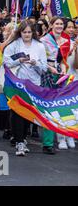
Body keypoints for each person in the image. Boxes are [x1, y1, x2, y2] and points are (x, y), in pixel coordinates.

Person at [3, 20, 48, 156]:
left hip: (34, 84)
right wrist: (19, 60)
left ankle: (23, 137)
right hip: (17, 83)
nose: (27, 34)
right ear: (20, 32)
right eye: (24, 32)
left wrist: (35, 63)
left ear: (33, 32)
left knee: (29, 112)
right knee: (17, 111)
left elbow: (44, 68)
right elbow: (6, 62)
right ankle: (19, 141)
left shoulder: (39, 46)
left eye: (29, 32)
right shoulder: (14, 45)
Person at [41, 17, 72, 152]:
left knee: (60, 106)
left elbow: (62, 60)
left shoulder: (66, 41)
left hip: (61, 76)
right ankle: (47, 143)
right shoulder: (44, 40)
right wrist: (50, 68)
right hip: (47, 74)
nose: (59, 26)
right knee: (48, 108)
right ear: (51, 25)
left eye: (61, 24)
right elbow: (40, 60)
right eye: (57, 23)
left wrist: (63, 68)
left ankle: (62, 136)